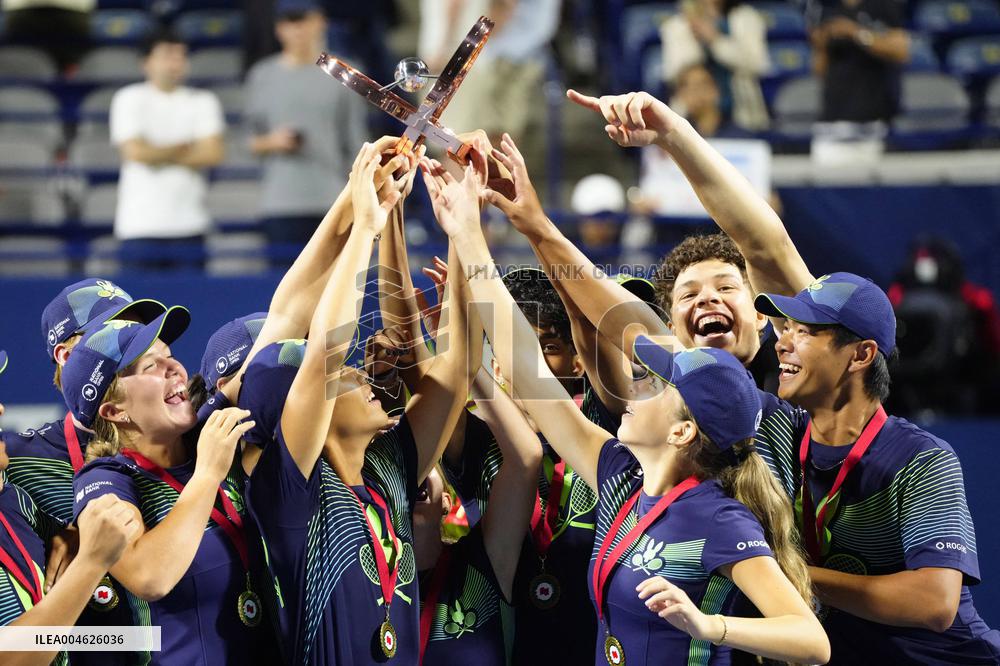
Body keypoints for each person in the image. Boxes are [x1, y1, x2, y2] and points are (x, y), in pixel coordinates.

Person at [549, 87, 1000, 664]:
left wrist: (774, 573)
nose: (784, 334)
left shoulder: (904, 454)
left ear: (858, 356)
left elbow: (935, 604)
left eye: (801, 330)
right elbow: (628, 326)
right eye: (784, 325)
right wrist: (535, 228)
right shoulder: (749, 422)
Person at [422, 161, 831, 665]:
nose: (641, 391)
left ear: (682, 430)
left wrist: (709, 626)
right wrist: (467, 232)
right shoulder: (621, 478)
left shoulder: (719, 516)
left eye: (661, 389)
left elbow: (811, 641)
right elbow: (528, 370)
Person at [237, 143, 479, 663]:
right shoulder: (290, 493)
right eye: (339, 378)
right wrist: (364, 228)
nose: (356, 371)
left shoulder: (388, 469)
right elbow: (326, 350)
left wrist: (464, 235)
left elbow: (458, 370)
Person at [66, 310, 273, 665]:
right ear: (114, 411)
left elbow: (282, 325)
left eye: (168, 354)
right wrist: (208, 475)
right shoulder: (106, 481)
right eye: (150, 366)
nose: (174, 367)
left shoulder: (207, 433)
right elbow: (150, 577)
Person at [0, 349, 140, 666]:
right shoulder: (25, 467)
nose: (1, 408)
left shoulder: (15, 500)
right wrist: (91, 560)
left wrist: (80, 533)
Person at [416, 365, 541, 664]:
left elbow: (526, 459)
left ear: (447, 501)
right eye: (401, 470)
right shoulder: (367, 582)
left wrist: (468, 362)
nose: (412, 477)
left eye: (422, 467)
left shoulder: (480, 560)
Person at [245, 0, 368, 267]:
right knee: (282, 296)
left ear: (320, 22)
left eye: (304, 20)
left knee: (334, 293)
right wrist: (272, 141)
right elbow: (248, 141)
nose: (297, 29)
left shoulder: (344, 73)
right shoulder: (262, 76)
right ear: (279, 28)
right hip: (281, 202)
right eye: (290, 21)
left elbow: (356, 141)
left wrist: (358, 196)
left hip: (332, 199)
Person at [111, 28, 225, 271]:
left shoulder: (203, 101)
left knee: (192, 307)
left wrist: (155, 153)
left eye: (181, 56)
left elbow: (212, 154)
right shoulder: (128, 98)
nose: (175, 63)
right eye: (166, 55)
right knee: (139, 308)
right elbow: (135, 153)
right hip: (139, 228)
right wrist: (184, 148)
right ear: (146, 63)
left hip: (191, 226)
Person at [810, 0, 910, 164]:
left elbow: (901, 51)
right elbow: (819, 71)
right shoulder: (826, 8)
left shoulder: (883, 6)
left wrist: (855, 33)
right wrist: (820, 45)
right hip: (833, 120)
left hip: (872, 121)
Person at [661, 0, 769, 131]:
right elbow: (677, 74)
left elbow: (757, 65)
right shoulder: (676, 25)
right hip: (691, 115)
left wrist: (715, 40)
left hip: (743, 113)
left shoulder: (747, 18)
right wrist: (695, 30)